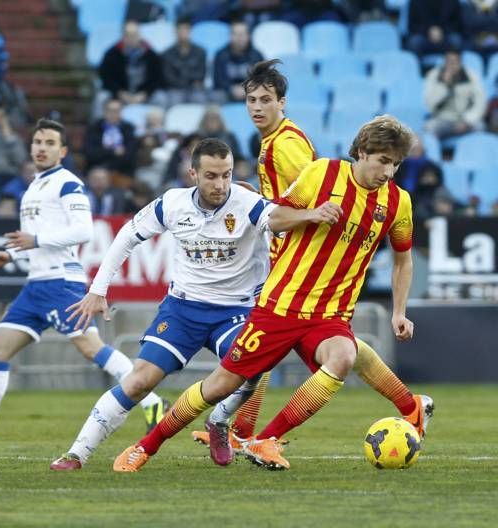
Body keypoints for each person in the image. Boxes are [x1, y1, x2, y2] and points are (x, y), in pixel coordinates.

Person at [113, 115, 427, 472]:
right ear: (362, 152)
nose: (389, 171)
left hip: (329, 315)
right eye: (383, 161)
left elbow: (403, 260)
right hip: (279, 307)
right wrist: (311, 214)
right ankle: (146, 446)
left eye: (396, 163)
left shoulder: (398, 202)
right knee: (218, 387)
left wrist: (398, 312)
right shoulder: (322, 174)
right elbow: (275, 219)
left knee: (342, 355)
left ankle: (267, 440)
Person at [193, 60, 433, 466]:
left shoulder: (285, 143)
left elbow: (312, 192)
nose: (256, 108)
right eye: (251, 100)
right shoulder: (272, 140)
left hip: (296, 257)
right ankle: (409, 404)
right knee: (335, 349)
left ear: (281, 103)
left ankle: (245, 432)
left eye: (265, 101)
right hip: (284, 250)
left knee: (271, 345)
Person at [49, 138, 273, 470]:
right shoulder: (172, 204)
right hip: (183, 310)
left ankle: (219, 422)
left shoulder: (249, 203)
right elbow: (126, 236)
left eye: (226, 175)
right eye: (211, 176)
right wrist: (98, 289)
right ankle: (76, 453)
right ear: (192, 174)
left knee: (252, 367)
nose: (221, 184)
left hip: (235, 311)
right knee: (140, 380)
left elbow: (278, 222)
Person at [0, 119, 168, 441]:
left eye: (49, 143)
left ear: (62, 151)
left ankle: (154, 402)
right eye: (37, 142)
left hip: (61, 283)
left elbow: (83, 230)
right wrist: (11, 255)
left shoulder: (68, 183)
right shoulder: (33, 187)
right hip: (36, 285)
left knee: (92, 348)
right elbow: (34, 241)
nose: (41, 148)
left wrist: (34, 241)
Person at [424, 49, 487, 139]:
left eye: (454, 62)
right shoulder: (434, 75)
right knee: (429, 127)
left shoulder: (472, 76)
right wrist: (444, 86)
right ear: (444, 62)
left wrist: (467, 121)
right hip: (443, 119)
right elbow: (429, 104)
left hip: (465, 118)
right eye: (449, 62)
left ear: (460, 62)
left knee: (480, 127)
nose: (451, 65)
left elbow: (480, 103)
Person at [98, 20, 163, 105]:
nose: (131, 38)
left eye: (134, 34)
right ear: (123, 36)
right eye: (128, 35)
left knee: (160, 98)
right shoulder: (111, 54)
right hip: (119, 94)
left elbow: (156, 79)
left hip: (143, 95)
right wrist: (120, 93)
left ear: (140, 35)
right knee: (101, 97)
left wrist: (145, 94)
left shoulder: (151, 55)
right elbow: (106, 78)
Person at [212, 20, 263, 103]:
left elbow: (262, 79)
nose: (239, 38)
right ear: (230, 36)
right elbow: (218, 80)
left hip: (251, 92)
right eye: (235, 34)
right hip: (227, 92)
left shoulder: (257, 56)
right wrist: (231, 89)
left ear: (248, 36)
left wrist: (247, 89)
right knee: (215, 96)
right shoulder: (221, 55)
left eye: (242, 34)